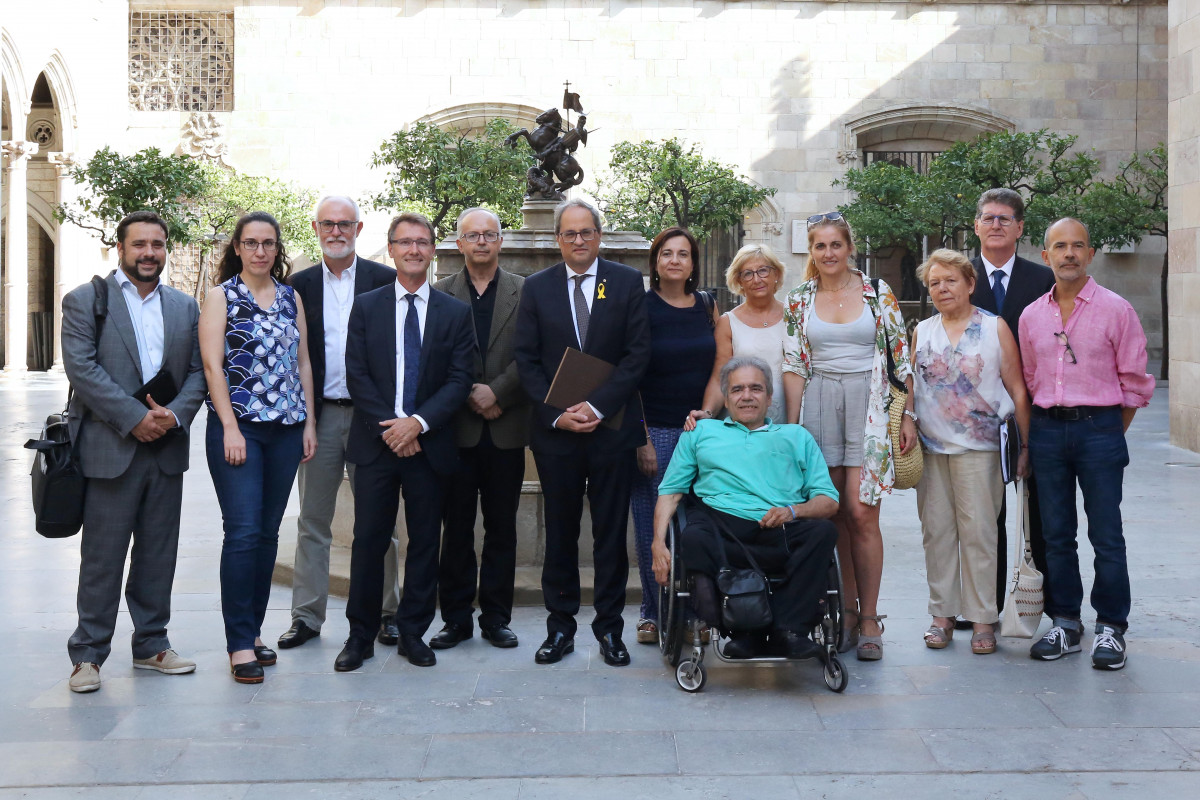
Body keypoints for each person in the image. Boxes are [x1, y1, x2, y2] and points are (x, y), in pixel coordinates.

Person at [61, 210, 208, 694]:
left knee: (157, 554)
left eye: (158, 244)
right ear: (121, 248)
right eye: (140, 244)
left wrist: (174, 414)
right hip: (111, 448)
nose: (149, 253)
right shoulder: (86, 301)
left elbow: (200, 372)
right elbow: (81, 369)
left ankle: (151, 645)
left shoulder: (185, 308)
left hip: (166, 449)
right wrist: (134, 418)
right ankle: (87, 655)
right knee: (102, 556)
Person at [513, 198, 651, 667]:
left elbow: (637, 355)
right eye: (569, 234)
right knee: (561, 535)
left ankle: (610, 631)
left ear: (598, 235)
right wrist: (558, 414)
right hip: (556, 436)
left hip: (611, 431)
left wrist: (596, 404)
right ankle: (560, 628)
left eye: (585, 232)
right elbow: (526, 360)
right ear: (558, 240)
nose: (578, 241)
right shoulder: (536, 288)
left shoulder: (627, 282)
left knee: (611, 536)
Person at [335, 212, 475, 671]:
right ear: (391, 249)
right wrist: (394, 428)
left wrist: (416, 423)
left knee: (422, 544)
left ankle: (413, 632)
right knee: (369, 540)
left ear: (433, 250)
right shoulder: (368, 305)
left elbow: (459, 380)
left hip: (428, 445)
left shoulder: (454, 312)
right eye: (404, 242)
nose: (413, 250)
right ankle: (359, 635)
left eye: (422, 242)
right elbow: (357, 374)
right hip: (376, 445)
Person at [781, 212, 917, 662]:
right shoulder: (800, 298)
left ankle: (872, 617)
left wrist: (907, 416)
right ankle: (846, 612)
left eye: (835, 245)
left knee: (862, 514)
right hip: (819, 401)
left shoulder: (878, 295)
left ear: (849, 247)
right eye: (819, 246)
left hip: (869, 405)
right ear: (812, 252)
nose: (828, 253)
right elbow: (796, 364)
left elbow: (901, 361)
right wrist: (792, 429)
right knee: (831, 512)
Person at [1020, 218, 1153, 670]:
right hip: (1047, 430)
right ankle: (1065, 623)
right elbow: (1031, 377)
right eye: (1060, 246)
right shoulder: (1032, 315)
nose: (1069, 253)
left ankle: (1112, 628)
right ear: (1046, 255)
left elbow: (1134, 384)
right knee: (1056, 535)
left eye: (1078, 246)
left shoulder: (1117, 310)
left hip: (1100, 428)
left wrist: (1109, 431)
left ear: (1091, 253)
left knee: (1106, 535)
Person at [651, 356, 839, 660]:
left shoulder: (796, 436)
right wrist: (658, 544)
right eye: (737, 389)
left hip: (780, 529)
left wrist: (793, 511)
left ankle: (789, 630)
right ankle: (743, 632)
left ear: (769, 397)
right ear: (726, 398)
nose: (747, 396)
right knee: (693, 538)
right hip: (723, 532)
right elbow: (671, 492)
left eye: (756, 388)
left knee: (824, 533)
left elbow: (828, 501)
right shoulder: (701, 432)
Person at [279, 196, 402, 652]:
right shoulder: (297, 285)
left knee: (381, 520)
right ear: (315, 228)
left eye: (344, 224)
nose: (336, 231)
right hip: (321, 416)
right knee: (313, 519)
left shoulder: (385, 280)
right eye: (328, 224)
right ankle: (307, 617)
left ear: (359, 227)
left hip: (376, 418)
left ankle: (387, 611)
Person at [200, 211, 318, 684]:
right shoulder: (220, 297)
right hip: (241, 429)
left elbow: (304, 362)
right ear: (238, 247)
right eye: (251, 243)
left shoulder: (292, 298)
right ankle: (237, 644)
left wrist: (309, 422)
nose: (260, 251)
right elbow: (212, 367)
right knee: (244, 532)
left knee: (268, 535)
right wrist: (229, 426)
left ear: (277, 248)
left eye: (268, 243)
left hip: (287, 430)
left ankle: (254, 633)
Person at [911, 249, 1031, 656]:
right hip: (931, 451)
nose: (942, 289)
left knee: (980, 534)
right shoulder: (922, 331)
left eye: (950, 280)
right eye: (934, 283)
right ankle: (941, 616)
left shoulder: (995, 327)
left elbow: (1016, 387)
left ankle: (983, 620)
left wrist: (1027, 446)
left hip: (980, 450)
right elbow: (911, 389)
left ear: (970, 284)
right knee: (937, 534)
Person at [430, 208, 529, 650]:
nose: (483, 242)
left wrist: (499, 393)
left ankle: (496, 617)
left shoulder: (526, 292)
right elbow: (433, 356)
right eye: (474, 235)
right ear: (459, 244)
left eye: (490, 234)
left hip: (505, 429)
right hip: (456, 429)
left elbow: (534, 354)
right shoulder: (440, 293)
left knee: (501, 528)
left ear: (501, 241)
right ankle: (455, 618)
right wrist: (471, 391)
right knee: (456, 528)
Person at [968, 188, 1056, 619]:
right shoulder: (957, 276)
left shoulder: (1043, 280)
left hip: (1033, 410)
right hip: (974, 416)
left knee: (1042, 511)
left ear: (1020, 227)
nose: (996, 225)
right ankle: (985, 605)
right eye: (989, 218)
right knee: (985, 514)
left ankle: (1051, 605)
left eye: (1005, 218)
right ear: (977, 225)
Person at [630, 226, 717, 645]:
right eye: (667, 253)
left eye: (684, 254)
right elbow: (628, 376)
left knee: (700, 525)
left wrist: (708, 415)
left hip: (699, 432)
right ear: (656, 262)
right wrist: (641, 436)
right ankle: (652, 611)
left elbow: (721, 368)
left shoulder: (706, 306)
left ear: (693, 264)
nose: (676, 260)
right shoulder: (640, 307)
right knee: (653, 527)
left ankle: (698, 613)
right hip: (656, 432)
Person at [694, 245, 788, 426]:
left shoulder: (794, 316)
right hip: (740, 422)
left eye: (763, 271)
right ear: (739, 281)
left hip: (786, 419)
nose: (757, 279)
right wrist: (707, 413)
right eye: (748, 274)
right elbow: (719, 377)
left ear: (776, 274)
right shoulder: (728, 323)